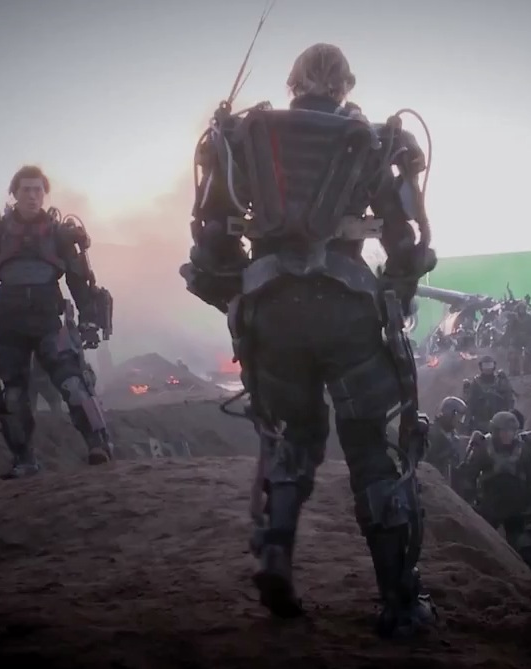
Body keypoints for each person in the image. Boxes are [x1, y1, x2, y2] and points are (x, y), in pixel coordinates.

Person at [179, 43, 438, 637]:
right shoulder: (371, 139)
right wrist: (395, 291)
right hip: (348, 312)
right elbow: (408, 243)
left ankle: (275, 551)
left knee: (293, 436)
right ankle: (400, 606)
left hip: (272, 314)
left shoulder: (244, 135)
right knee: (371, 448)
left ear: (293, 82)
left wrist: (240, 296)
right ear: (346, 84)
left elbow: (211, 240)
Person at [0, 165, 115, 479]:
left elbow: (78, 280)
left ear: (44, 195)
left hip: (48, 323)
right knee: (13, 396)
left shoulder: (59, 234)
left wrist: (88, 320)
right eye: (26, 190)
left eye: (38, 190)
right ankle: (24, 459)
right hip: (10, 325)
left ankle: (98, 446)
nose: (32, 196)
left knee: (74, 384)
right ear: (14, 193)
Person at [454, 411, 531, 575]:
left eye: (511, 431)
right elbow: (470, 475)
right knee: (482, 544)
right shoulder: (484, 447)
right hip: (490, 504)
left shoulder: (524, 449)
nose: (507, 435)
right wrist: (469, 501)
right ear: (495, 431)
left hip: (516, 506)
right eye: (503, 431)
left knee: (522, 549)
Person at [461, 355, 515, 433]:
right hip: (480, 422)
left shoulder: (500, 382)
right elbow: (470, 404)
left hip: (499, 422)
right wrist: (466, 424)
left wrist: (508, 417)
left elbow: (509, 400)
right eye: (485, 366)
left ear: (494, 366)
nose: (487, 369)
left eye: (490, 365)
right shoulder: (475, 383)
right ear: (481, 367)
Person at [425, 396, 467, 480]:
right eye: (459, 416)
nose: (460, 421)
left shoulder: (454, 438)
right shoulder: (430, 435)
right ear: (450, 414)